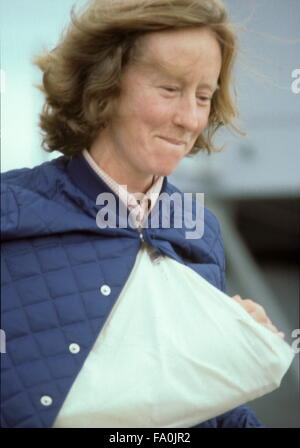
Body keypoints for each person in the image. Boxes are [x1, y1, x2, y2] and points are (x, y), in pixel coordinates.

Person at [1, 0, 286, 428]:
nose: (189, 118)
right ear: (103, 87)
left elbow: (192, 406)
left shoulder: (200, 229)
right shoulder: (11, 207)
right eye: (169, 90)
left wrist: (244, 350)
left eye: (204, 96)